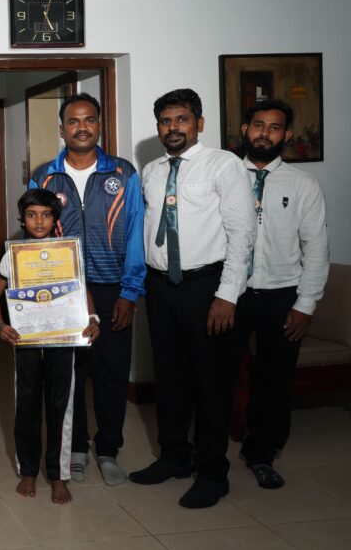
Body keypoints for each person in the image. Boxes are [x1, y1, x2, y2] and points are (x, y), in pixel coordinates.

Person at [130, 88, 256, 509]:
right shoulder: (151, 171)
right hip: (160, 287)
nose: (173, 128)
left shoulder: (224, 165)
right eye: (166, 121)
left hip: (207, 287)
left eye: (182, 119)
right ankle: (174, 457)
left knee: (211, 382)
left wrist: (228, 295)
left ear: (199, 123)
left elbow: (243, 234)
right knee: (169, 377)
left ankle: (213, 472)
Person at [29, 93, 144, 486]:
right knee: (69, 374)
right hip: (64, 290)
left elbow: (136, 232)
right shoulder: (45, 176)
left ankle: (108, 449)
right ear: (62, 130)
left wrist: (130, 292)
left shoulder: (123, 173)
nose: (82, 127)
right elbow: (35, 233)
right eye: (73, 121)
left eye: (89, 119)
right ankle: (76, 447)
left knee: (112, 373)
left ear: (99, 125)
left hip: (113, 287)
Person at [233, 99, 329, 489]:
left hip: (281, 295)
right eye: (258, 125)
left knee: (275, 381)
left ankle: (262, 453)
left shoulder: (303, 184)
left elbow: (316, 247)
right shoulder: (225, 176)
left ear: (286, 135)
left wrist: (305, 304)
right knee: (215, 374)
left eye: (274, 127)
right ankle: (207, 452)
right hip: (230, 293)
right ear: (245, 129)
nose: (265, 133)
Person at [0, 188, 100, 504]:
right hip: (26, 344)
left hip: (63, 342)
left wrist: (93, 319)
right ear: (22, 219)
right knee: (26, 407)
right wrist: (0, 325)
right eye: (32, 215)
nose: (39, 221)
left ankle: (58, 475)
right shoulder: (13, 255)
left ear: (55, 219)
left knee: (61, 407)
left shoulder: (67, 252)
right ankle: (28, 470)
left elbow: (82, 290)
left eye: (46, 215)